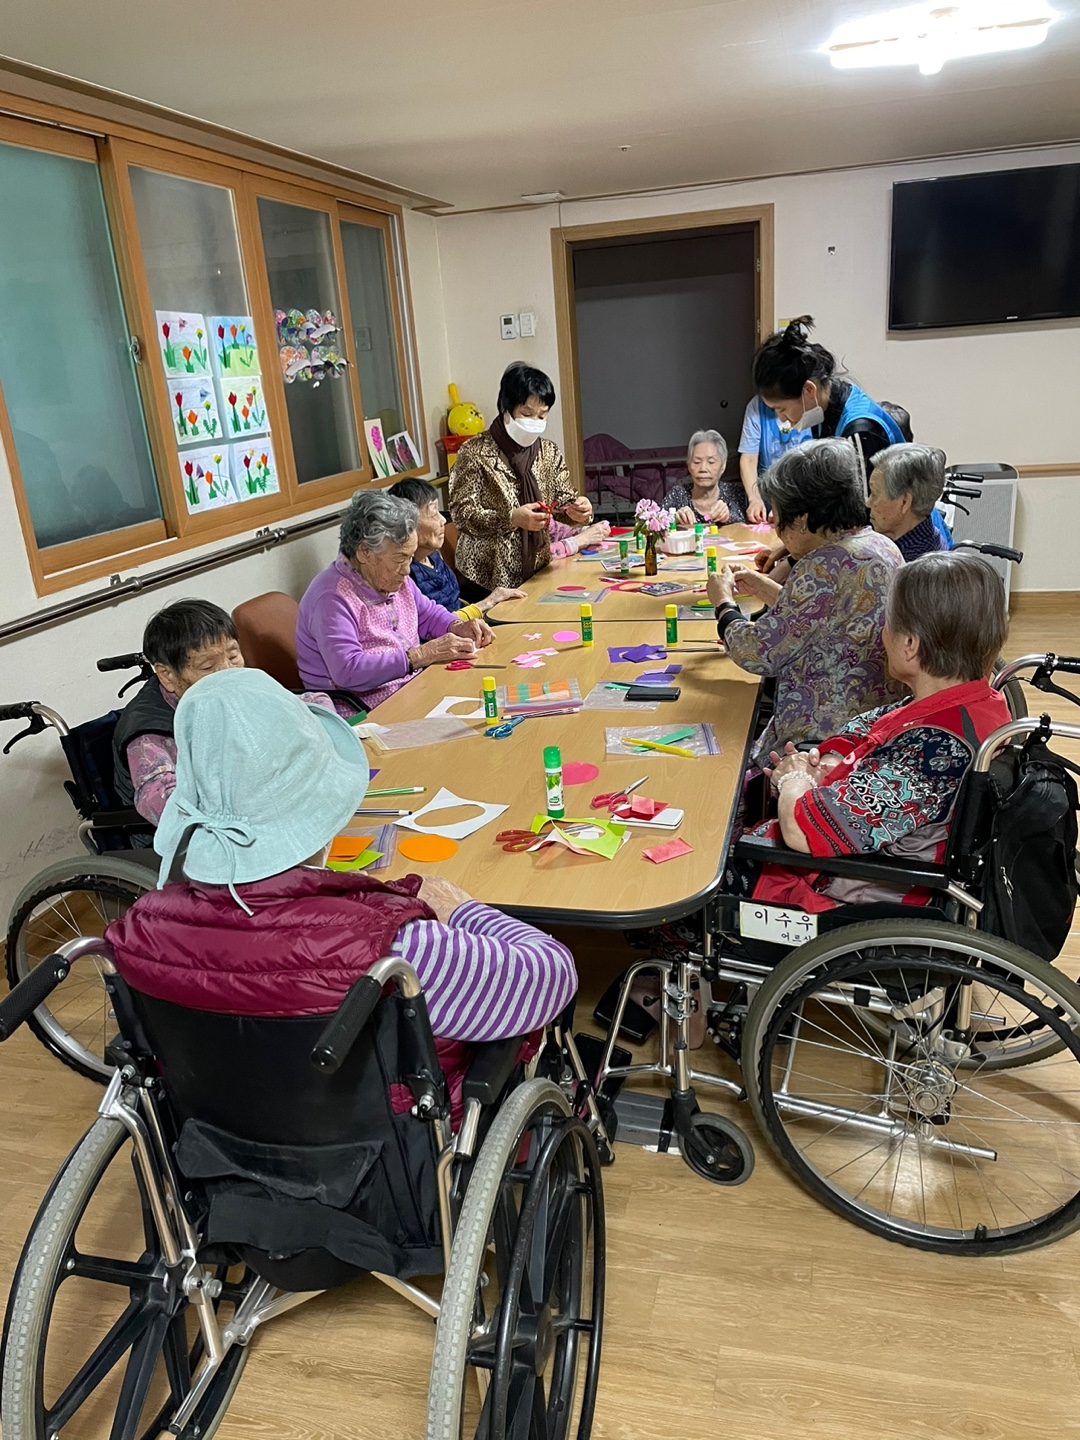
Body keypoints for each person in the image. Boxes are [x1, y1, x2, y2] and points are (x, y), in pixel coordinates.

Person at [104, 669, 578, 1125]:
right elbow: (554, 974)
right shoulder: (392, 947)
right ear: (322, 809)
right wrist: (465, 911)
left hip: (226, 1146)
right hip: (391, 1156)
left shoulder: (140, 932)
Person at [750, 551, 1011, 911]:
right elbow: (869, 727)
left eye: (888, 623)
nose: (882, 634)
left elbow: (801, 830)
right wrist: (829, 761)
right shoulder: (966, 703)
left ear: (910, 645)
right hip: (849, 851)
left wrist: (794, 777)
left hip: (851, 894)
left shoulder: (934, 752)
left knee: (701, 872)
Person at [706, 438, 903, 765]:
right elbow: (825, 620)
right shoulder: (878, 544)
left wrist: (723, 603)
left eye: (778, 513)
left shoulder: (823, 566)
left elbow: (759, 653)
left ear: (801, 519)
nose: (773, 521)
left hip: (825, 736)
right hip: (875, 719)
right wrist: (765, 588)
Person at [296, 491, 493, 712]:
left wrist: (456, 626)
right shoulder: (331, 598)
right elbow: (348, 670)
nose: (407, 570)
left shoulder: (392, 577)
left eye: (410, 557)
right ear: (365, 552)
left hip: (411, 689)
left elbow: (426, 614)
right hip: (365, 711)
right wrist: (419, 656)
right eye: (400, 558)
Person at [751, 316, 906, 575]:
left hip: (894, 553)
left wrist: (794, 561)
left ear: (809, 391)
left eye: (781, 409)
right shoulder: (823, 412)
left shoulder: (859, 429)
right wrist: (790, 548)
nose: (783, 419)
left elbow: (859, 524)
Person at [449, 361, 593, 595]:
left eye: (542, 416)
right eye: (527, 414)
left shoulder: (548, 452)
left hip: (537, 569)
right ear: (506, 408)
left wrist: (579, 511)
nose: (534, 422)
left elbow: (564, 502)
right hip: (486, 576)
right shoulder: (474, 452)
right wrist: (511, 518)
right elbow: (462, 515)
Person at [113, 599, 245, 824]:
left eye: (233, 656)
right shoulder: (149, 736)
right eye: (207, 667)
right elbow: (167, 806)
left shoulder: (234, 690)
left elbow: (295, 706)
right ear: (167, 675)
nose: (228, 672)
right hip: (194, 834)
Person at [387, 476, 528, 616]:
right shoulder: (405, 575)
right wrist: (488, 601)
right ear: (408, 525)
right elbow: (438, 622)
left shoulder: (432, 556)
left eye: (439, 512)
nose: (443, 520)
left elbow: (455, 603)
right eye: (433, 515)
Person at [868, 444, 949, 562]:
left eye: (874, 493)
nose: (868, 503)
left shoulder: (909, 565)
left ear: (904, 502)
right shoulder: (929, 535)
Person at [737, 398, 810, 523]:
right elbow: (748, 460)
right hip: (768, 495)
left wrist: (790, 504)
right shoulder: (756, 407)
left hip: (806, 495)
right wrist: (755, 499)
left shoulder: (811, 404)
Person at [662, 431, 749, 527]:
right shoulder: (677, 493)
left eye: (711, 462)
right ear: (689, 465)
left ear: (723, 466)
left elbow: (748, 526)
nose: (703, 469)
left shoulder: (734, 493)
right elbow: (656, 523)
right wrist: (674, 518)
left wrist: (728, 517)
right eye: (696, 462)